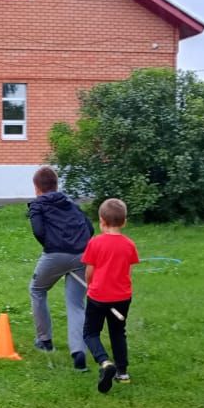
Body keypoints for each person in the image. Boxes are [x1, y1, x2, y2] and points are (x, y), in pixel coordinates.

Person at [27, 166, 94, 371]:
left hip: (54, 255)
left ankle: (44, 340)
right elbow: (89, 227)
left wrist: (52, 245)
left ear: (37, 188)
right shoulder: (70, 203)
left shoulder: (38, 205)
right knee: (76, 304)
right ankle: (79, 352)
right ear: (56, 185)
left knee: (37, 290)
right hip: (82, 255)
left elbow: (38, 230)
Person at [81, 198, 140, 394]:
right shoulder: (129, 245)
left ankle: (105, 362)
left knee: (90, 333)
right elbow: (127, 272)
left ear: (101, 221)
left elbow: (90, 271)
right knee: (117, 332)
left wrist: (90, 286)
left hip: (98, 297)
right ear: (124, 221)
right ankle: (122, 372)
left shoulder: (95, 243)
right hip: (122, 298)